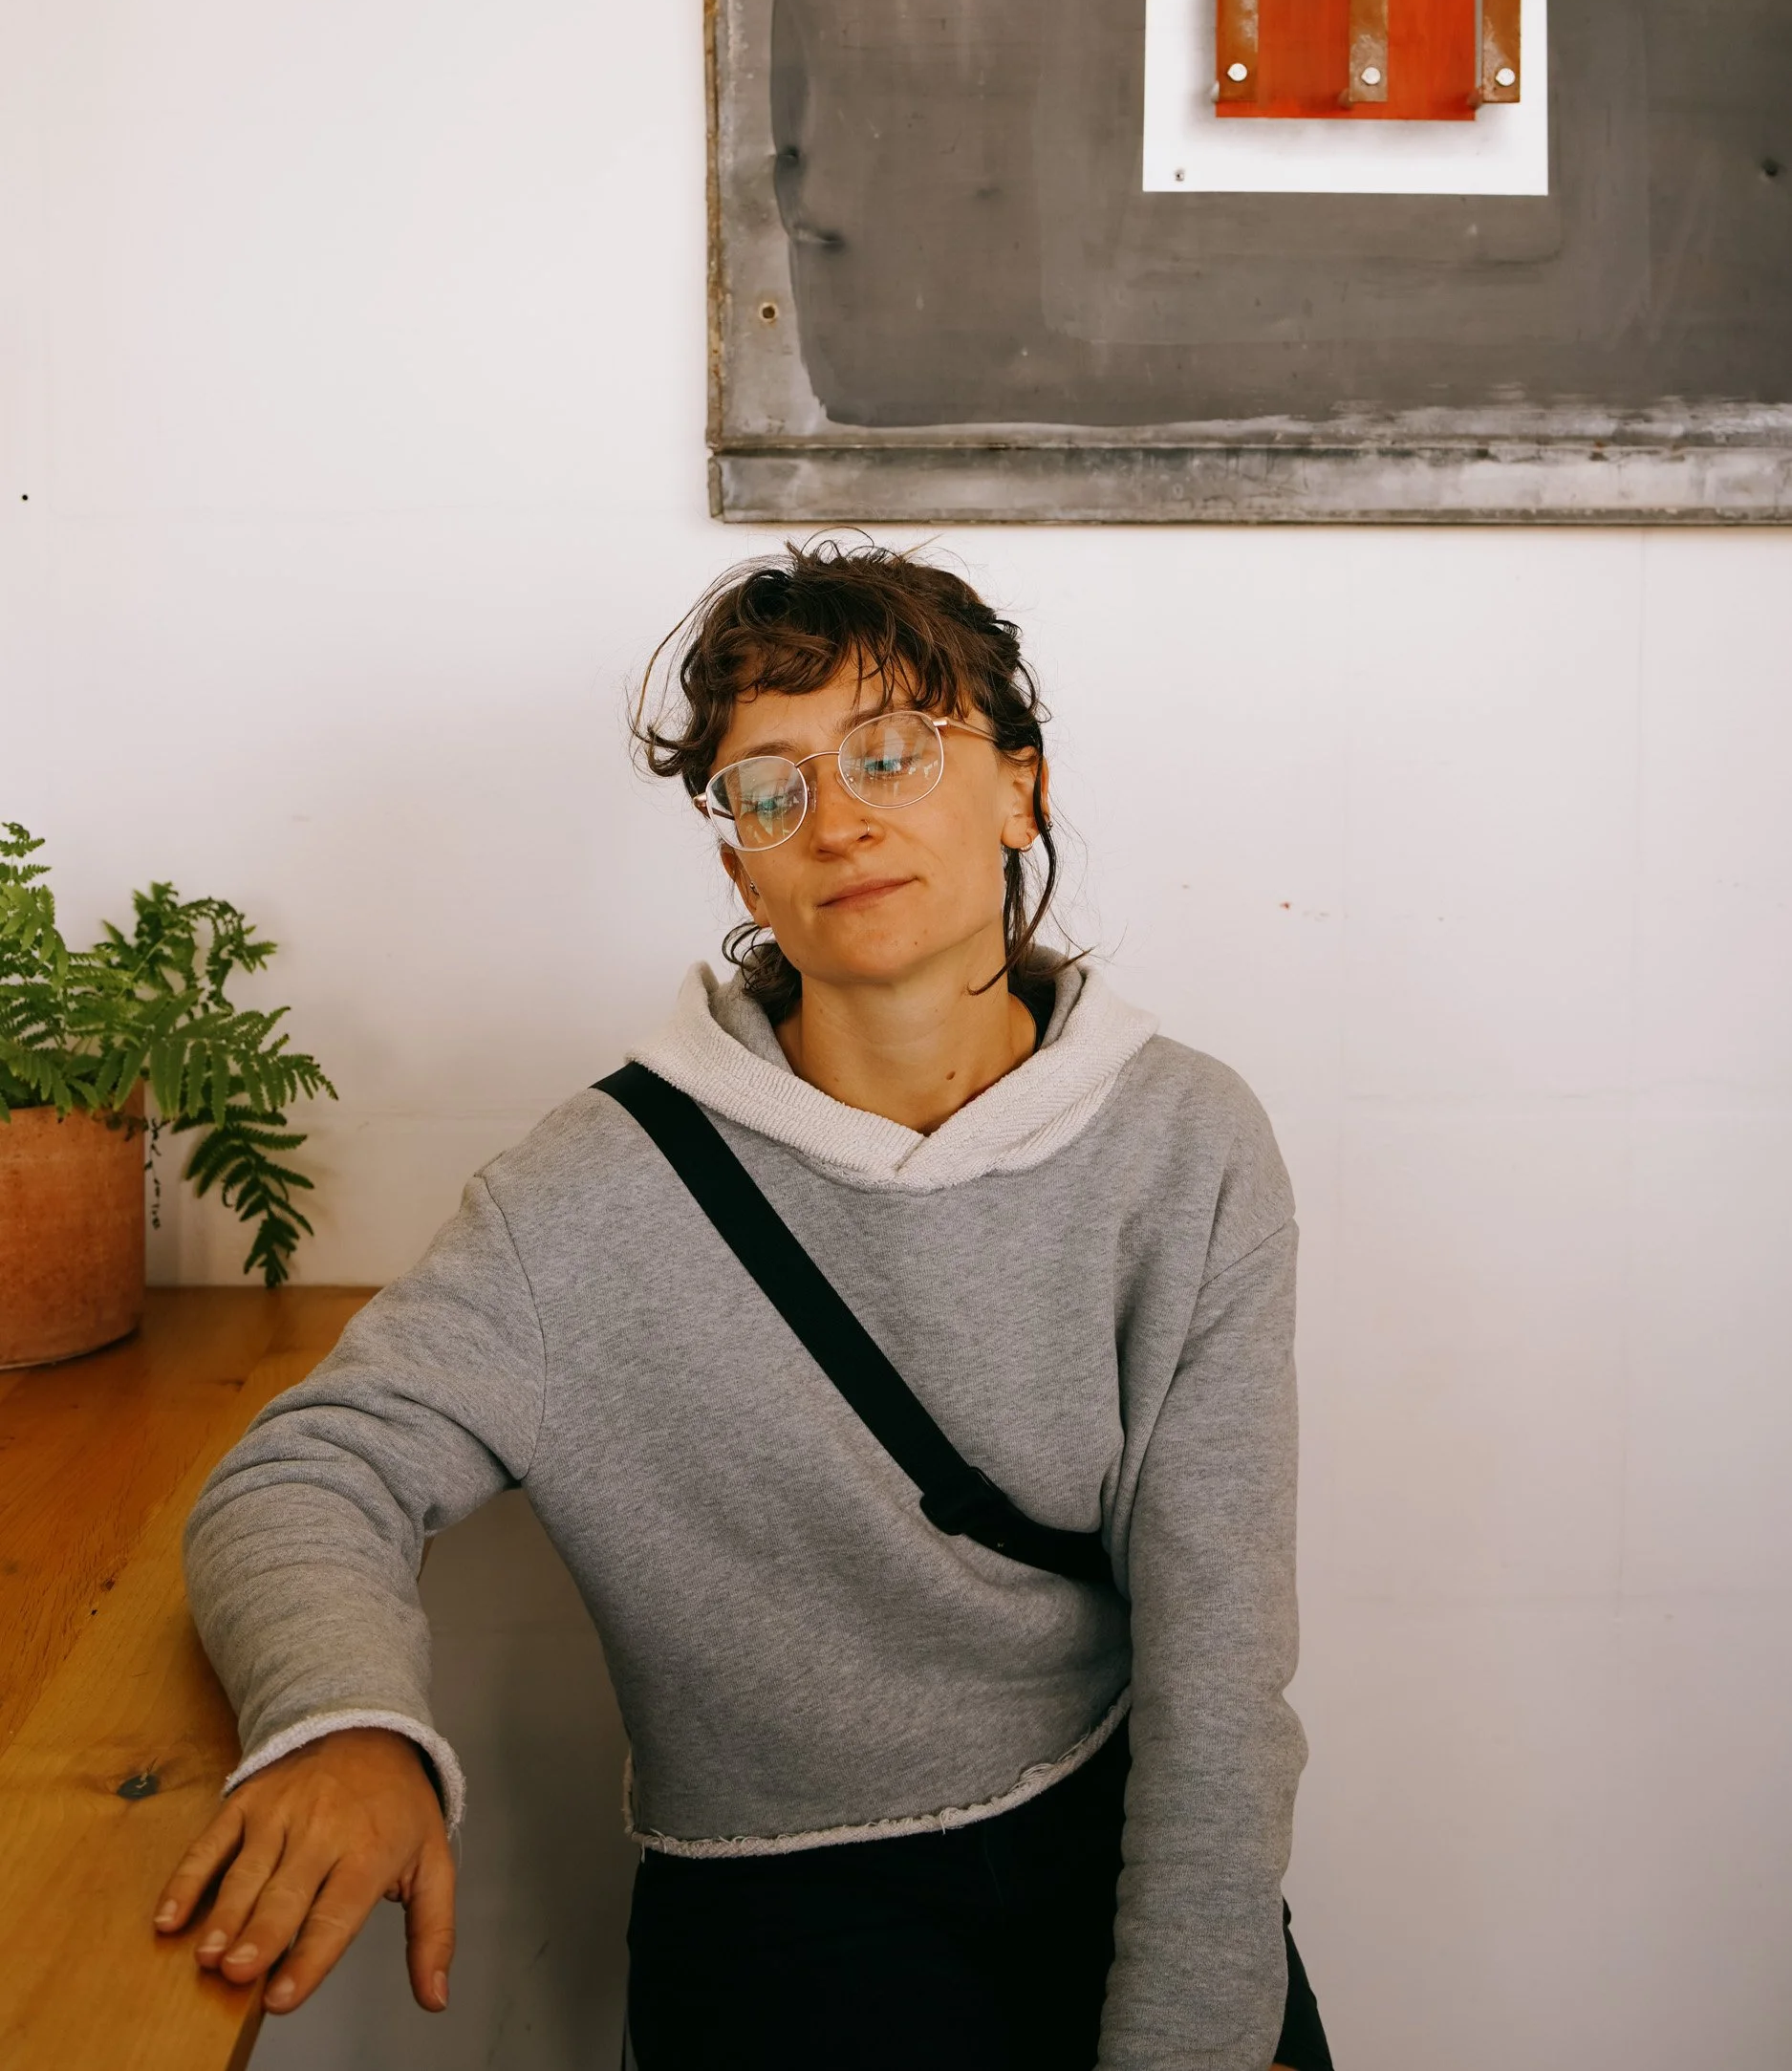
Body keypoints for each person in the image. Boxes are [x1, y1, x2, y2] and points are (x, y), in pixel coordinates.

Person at [156, 540, 1326, 2071]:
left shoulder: (1186, 1141)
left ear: (1019, 789)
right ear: (739, 866)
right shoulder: (592, 1191)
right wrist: (349, 1717)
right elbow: (309, 1468)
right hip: (782, 1918)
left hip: (1121, 1834)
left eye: (891, 750)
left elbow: (1221, 1666)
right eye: (768, 788)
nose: (835, 817)